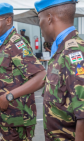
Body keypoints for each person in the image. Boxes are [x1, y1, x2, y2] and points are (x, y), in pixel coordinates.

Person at [0, 3, 46, 140]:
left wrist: (8, 96)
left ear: (8, 20)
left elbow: (41, 76)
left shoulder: (16, 43)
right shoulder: (5, 44)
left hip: (17, 120)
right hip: (7, 119)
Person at [35, 0, 84, 140]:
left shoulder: (74, 53)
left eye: (39, 19)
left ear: (49, 18)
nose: (40, 25)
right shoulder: (60, 51)